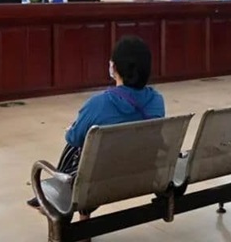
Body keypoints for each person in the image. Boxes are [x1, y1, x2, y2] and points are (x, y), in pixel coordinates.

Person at [26, 36, 165, 216]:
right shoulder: (157, 101)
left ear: (114, 68)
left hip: (99, 180)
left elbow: (73, 138)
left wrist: (71, 130)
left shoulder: (99, 103)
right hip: (143, 172)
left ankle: (60, 193)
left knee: (75, 145)